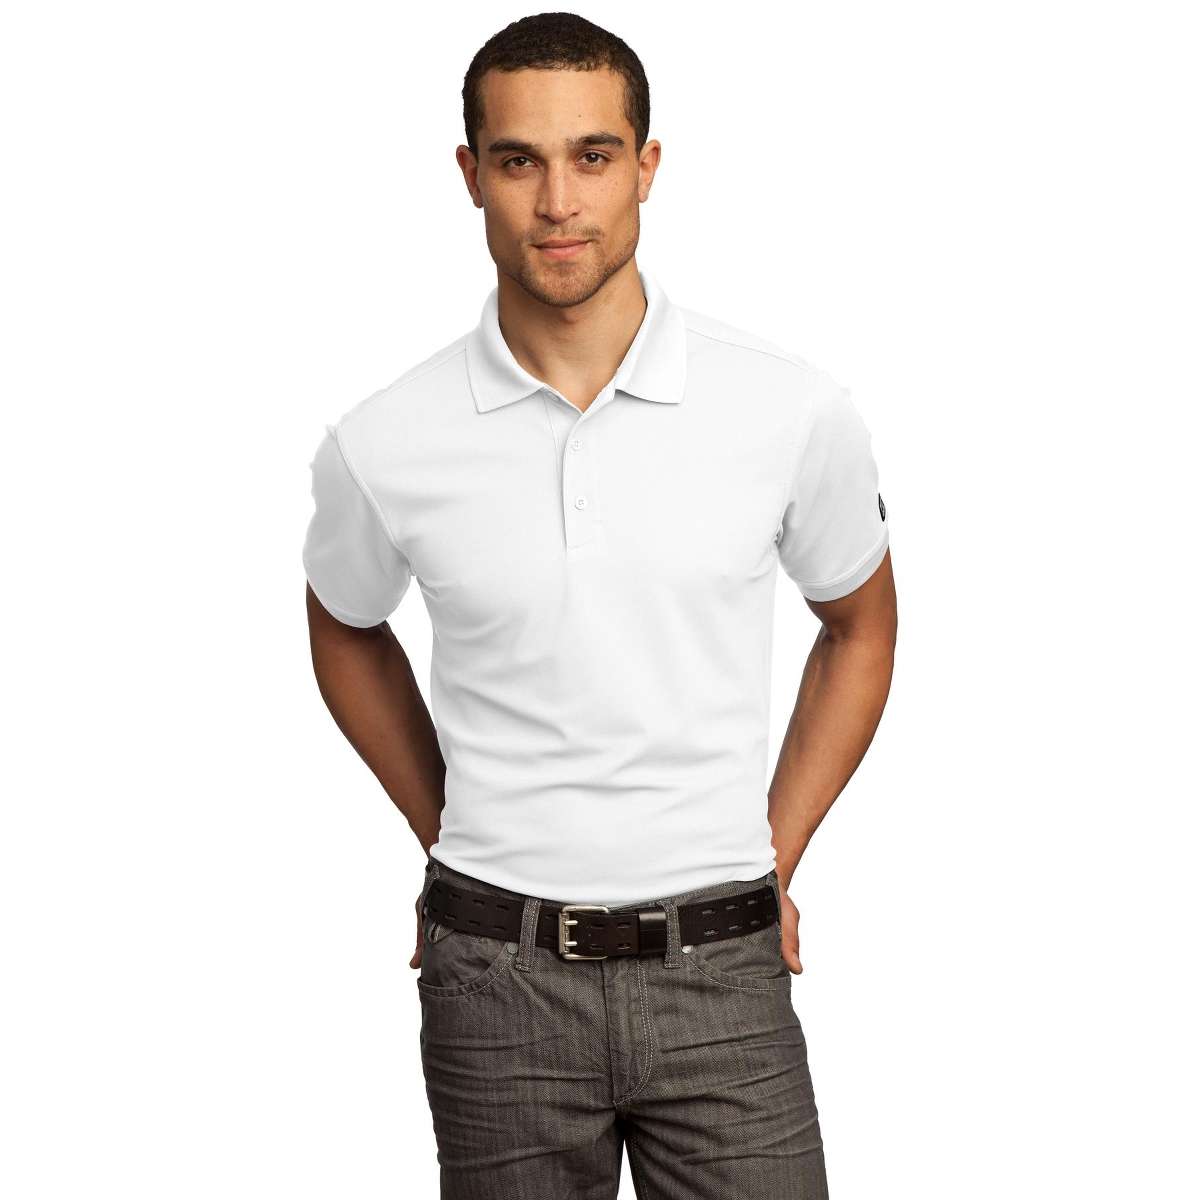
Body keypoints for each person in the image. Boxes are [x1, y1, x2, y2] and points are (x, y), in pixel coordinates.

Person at [301, 12, 897, 1198]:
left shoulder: (789, 410)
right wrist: (446, 827)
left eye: (593, 155)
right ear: (470, 175)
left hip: (722, 967)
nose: (558, 202)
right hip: (495, 980)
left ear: (647, 167)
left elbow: (859, 623)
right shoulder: (385, 441)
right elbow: (343, 620)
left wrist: (774, 856)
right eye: (519, 160)